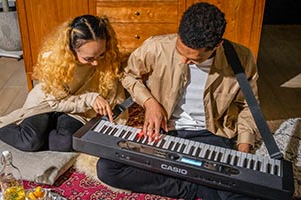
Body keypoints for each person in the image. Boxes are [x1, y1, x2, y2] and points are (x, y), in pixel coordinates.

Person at [97, 2, 259, 200]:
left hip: (211, 135)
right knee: (108, 168)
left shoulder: (241, 58)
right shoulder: (157, 47)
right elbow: (128, 75)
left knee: (244, 190)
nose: (183, 61)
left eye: (193, 59)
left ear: (217, 46)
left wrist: (243, 149)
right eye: (180, 52)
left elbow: (248, 106)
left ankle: (199, 183)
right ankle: (196, 187)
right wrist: (149, 102)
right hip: (164, 131)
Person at [0, 15, 128, 152]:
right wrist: (90, 99)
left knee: (67, 143)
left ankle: (44, 133)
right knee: (30, 142)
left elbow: (116, 96)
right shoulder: (51, 59)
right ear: (72, 49)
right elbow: (56, 103)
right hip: (46, 104)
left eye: (101, 55)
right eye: (88, 58)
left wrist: (119, 125)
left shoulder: (109, 57)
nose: (96, 62)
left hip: (77, 110)